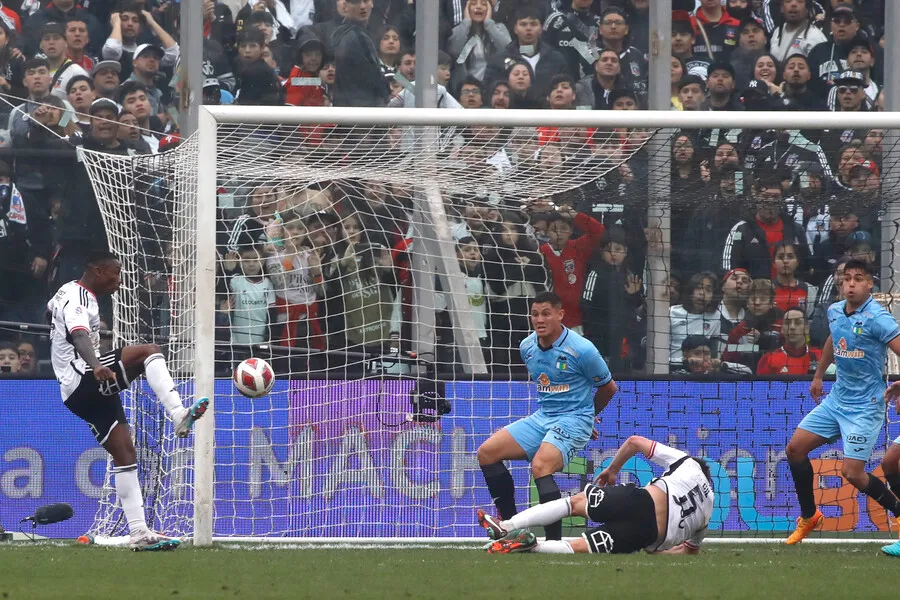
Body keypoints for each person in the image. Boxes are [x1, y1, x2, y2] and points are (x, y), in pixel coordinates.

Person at [47, 251, 208, 550]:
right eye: (115, 272)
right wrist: (95, 365)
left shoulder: (64, 292)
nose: (119, 280)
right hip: (85, 377)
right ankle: (177, 413)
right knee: (149, 351)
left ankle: (138, 533)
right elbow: (80, 335)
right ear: (96, 270)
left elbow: (50, 313)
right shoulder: (79, 296)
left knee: (124, 453)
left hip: (74, 393)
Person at [476, 291, 618, 543]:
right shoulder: (527, 347)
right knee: (487, 452)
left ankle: (553, 544)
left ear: (560, 315)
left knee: (540, 466)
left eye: (546, 314)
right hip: (544, 417)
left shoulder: (583, 350)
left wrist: (587, 418)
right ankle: (511, 531)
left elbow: (609, 388)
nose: (539, 320)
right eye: (535, 314)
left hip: (574, 418)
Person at [784, 259, 900, 544]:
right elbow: (834, 341)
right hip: (836, 401)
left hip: (865, 407)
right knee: (795, 449)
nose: (850, 284)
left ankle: (899, 512)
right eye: (846, 278)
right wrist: (818, 375)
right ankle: (810, 516)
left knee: (852, 473)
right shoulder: (835, 311)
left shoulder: (879, 318)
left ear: (869, 284)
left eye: (857, 278)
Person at [478, 435, 713, 555]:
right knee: (581, 546)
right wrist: (656, 550)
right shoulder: (708, 511)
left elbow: (634, 442)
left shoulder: (688, 463)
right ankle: (532, 546)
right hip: (648, 534)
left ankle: (507, 526)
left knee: (575, 503)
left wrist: (613, 470)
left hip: (640, 502)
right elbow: (688, 552)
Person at [757, 306, 821, 374]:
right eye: (787, 323)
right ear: (782, 329)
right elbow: (760, 384)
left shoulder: (820, 356)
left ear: (807, 329)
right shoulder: (769, 358)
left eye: (798, 322)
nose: (792, 327)